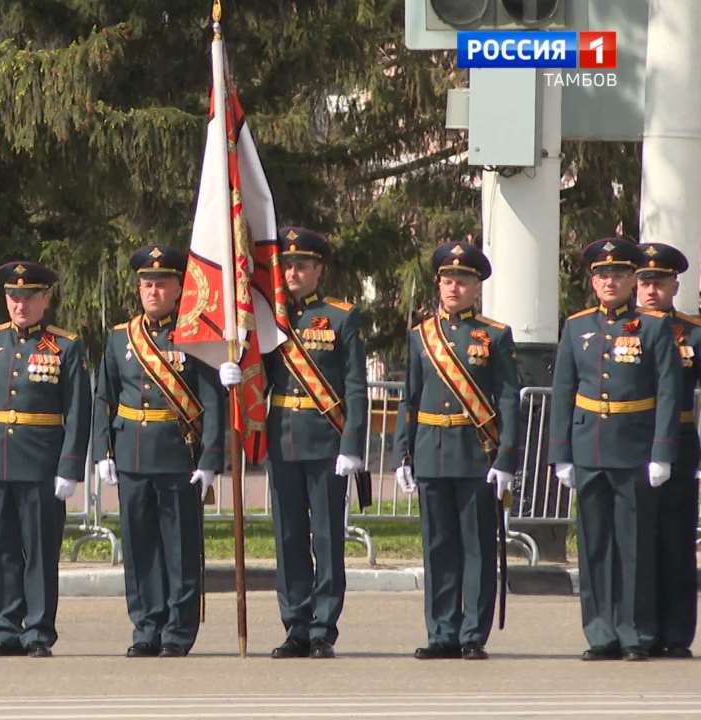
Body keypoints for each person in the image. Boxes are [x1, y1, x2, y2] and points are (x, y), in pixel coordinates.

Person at [220, 227, 366, 659]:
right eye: (287, 265)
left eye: (303, 265)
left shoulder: (341, 316)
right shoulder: (269, 319)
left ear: (319, 269)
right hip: (282, 437)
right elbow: (255, 370)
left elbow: (355, 385)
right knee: (288, 537)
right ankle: (296, 625)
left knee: (325, 538)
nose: (294, 272)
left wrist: (353, 445)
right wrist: (230, 372)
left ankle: (323, 628)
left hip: (326, 438)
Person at [549, 237, 680, 662]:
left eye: (620, 275)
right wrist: (561, 454)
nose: (611, 281)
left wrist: (662, 451)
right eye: (603, 275)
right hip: (589, 448)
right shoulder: (577, 326)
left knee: (634, 546)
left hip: (635, 448)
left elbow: (668, 392)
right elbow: (564, 390)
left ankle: (635, 633)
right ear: (592, 281)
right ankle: (600, 633)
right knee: (594, 546)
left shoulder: (654, 327)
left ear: (631, 280)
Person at [91, 245, 224, 658]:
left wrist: (210, 459)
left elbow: (213, 401)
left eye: (162, 283)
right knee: (139, 547)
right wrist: (103, 451)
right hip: (131, 455)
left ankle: (177, 632)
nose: (153, 291)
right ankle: (146, 627)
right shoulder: (120, 338)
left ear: (178, 287)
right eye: (147, 284)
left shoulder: (194, 335)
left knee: (180, 549)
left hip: (177, 455)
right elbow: (104, 397)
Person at [393, 242, 520, 660]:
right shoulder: (420, 336)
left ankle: (471, 635)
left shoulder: (496, 335)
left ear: (476, 286)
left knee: (477, 548)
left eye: (462, 280)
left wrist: (505, 459)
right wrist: (403, 454)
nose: (454, 287)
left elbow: (508, 400)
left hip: (475, 453)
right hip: (431, 451)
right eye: (448, 280)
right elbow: (409, 399)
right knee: (438, 546)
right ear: (438, 285)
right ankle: (441, 632)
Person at [0, 261, 90, 658]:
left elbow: (79, 409)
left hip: (40, 463)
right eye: (14, 297)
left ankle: (37, 631)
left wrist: (69, 467)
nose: (20, 304)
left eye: (29, 297)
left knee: (38, 550)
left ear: (45, 299)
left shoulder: (65, 346)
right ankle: (3, 629)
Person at [633, 242, 700, 659]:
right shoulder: (622, 328)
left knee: (677, 541)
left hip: (679, 444)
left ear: (675, 285)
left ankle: (676, 634)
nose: (651, 290)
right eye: (644, 282)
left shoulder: (692, 332)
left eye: (659, 282)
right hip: (632, 443)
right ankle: (640, 631)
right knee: (638, 540)